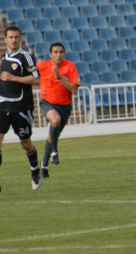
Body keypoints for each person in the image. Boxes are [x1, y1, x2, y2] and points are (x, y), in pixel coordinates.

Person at [0, 25, 41, 191]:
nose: (14, 40)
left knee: (26, 144)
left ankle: (35, 169)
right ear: (5, 39)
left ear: (20, 38)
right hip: (3, 105)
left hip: (21, 107)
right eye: (10, 37)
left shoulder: (26, 57)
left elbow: (36, 79)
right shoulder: (3, 58)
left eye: (16, 37)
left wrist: (14, 78)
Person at [37, 42, 80, 178]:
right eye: (55, 52)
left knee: (52, 136)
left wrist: (59, 77)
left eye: (61, 52)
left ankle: (44, 164)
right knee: (55, 120)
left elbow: (74, 88)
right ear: (50, 54)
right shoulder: (43, 65)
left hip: (65, 106)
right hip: (47, 102)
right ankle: (54, 152)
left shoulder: (70, 66)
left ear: (64, 53)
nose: (58, 54)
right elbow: (28, 70)